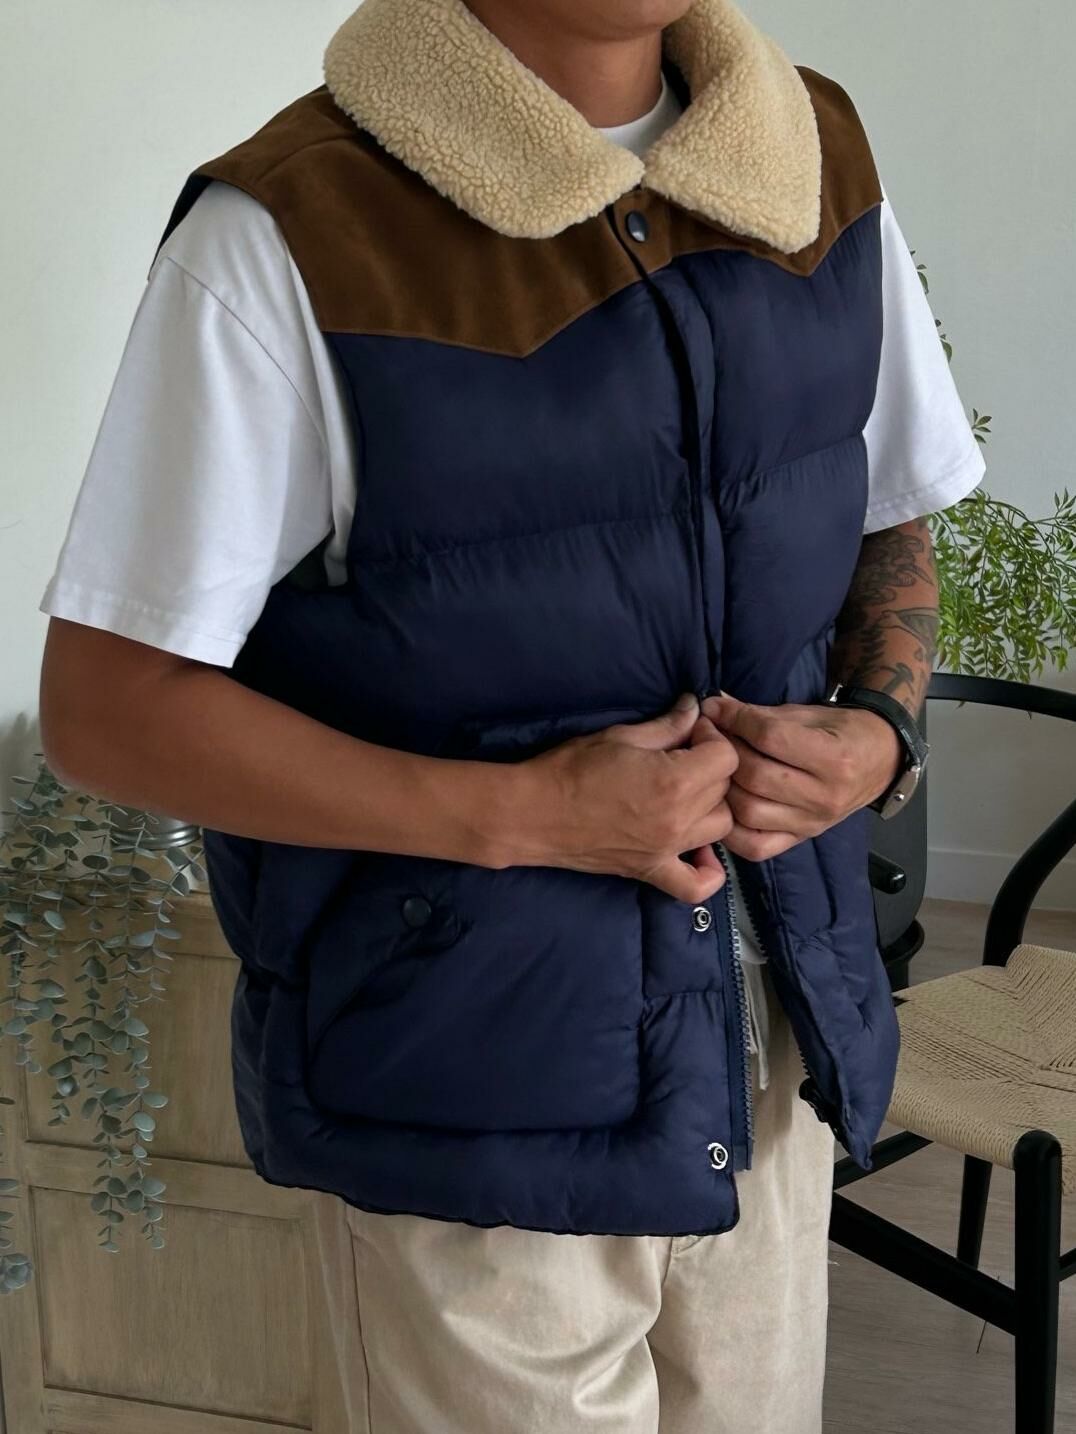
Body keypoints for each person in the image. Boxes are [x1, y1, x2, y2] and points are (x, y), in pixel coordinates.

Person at [38, 0, 985, 1428]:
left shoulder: (811, 158)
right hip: (469, 1101)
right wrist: (527, 815)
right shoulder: (294, 234)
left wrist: (880, 732)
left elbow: (887, 507)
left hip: (770, 1048)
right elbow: (108, 708)